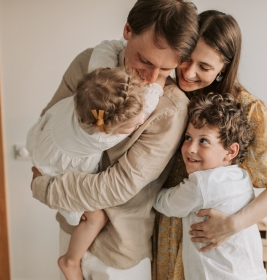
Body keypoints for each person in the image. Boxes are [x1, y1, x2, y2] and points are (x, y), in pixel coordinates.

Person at [30, 0, 199, 279]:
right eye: (144, 60)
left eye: (166, 70)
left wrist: (45, 188)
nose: (151, 78)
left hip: (119, 252)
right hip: (71, 227)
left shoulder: (171, 108)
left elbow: (120, 185)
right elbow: (51, 122)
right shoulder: (87, 63)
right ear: (128, 30)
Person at [152, 10, 267, 279]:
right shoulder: (165, 93)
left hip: (215, 244)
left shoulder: (249, 111)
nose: (189, 73)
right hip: (166, 234)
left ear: (223, 67)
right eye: (186, 60)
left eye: (203, 66)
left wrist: (232, 224)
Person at [27, 67, 165, 280]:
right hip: (54, 168)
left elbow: (104, 52)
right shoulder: (101, 136)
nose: (140, 122)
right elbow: (148, 107)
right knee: (95, 216)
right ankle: (70, 261)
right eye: (132, 126)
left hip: (42, 144)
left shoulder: (86, 96)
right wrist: (160, 80)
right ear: (108, 129)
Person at [154, 93, 267, 280]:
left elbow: (166, 203)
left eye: (203, 141)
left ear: (231, 151)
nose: (190, 148)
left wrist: (147, 188)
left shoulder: (202, 184)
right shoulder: (241, 176)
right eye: (188, 137)